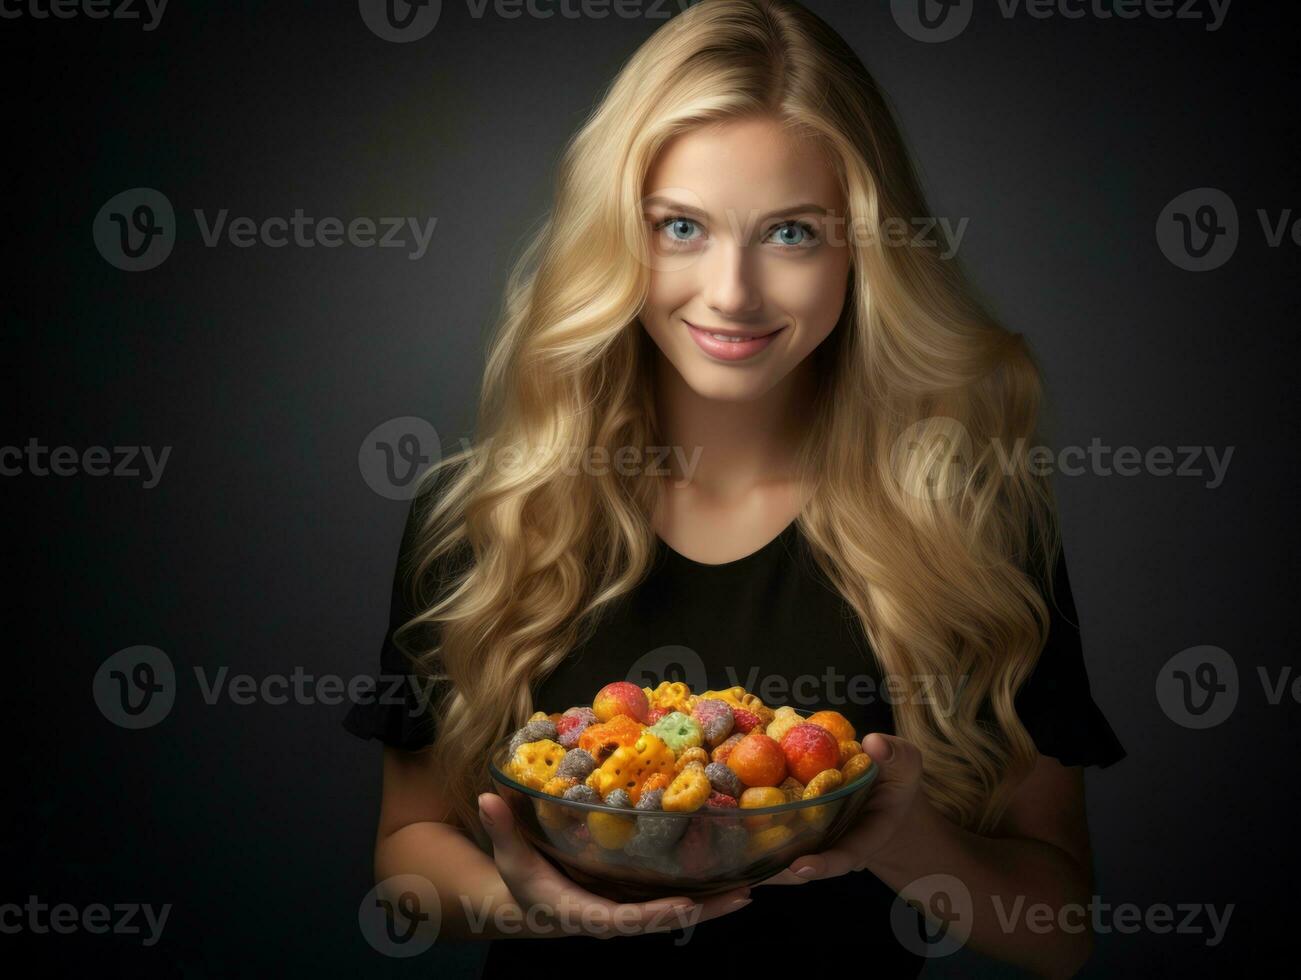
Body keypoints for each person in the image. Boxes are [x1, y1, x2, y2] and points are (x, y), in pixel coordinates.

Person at [343, 1, 1126, 974]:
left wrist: (893, 831)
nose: (731, 291)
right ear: (613, 238)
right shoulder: (481, 516)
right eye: (679, 226)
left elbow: (1059, 934)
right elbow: (404, 864)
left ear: (860, 249)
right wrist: (536, 904)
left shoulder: (971, 523)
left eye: (790, 232)